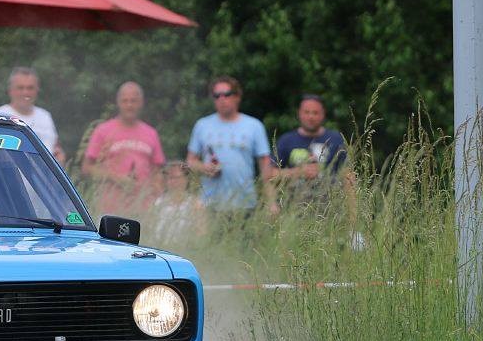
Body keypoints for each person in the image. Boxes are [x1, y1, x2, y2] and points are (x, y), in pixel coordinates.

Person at [269, 94, 360, 236]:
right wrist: (299, 172)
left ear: (323, 114)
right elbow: (271, 174)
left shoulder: (336, 139)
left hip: (332, 214)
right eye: (307, 112)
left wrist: (352, 216)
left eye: (315, 112)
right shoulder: (286, 141)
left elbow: (348, 177)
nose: (311, 117)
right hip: (293, 214)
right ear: (299, 114)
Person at [186, 76, 274, 218]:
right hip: (210, 204)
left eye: (227, 94)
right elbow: (190, 161)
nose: (222, 99)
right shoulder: (202, 125)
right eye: (217, 96)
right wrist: (205, 167)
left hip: (245, 204)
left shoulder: (254, 125)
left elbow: (265, 166)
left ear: (237, 96)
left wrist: (271, 202)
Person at [82, 81, 165, 216]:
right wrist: (116, 178)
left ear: (141, 103)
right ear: (118, 103)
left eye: (134, 101)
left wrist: (156, 198)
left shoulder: (151, 133)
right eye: (125, 101)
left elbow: (158, 172)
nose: (129, 105)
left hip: (143, 210)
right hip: (110, 210)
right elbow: (87, 168)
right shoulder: (103, 130)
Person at [0, 67, 65, 163]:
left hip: (44, 176)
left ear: (37, 90)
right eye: (20, 88)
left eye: (30, 88)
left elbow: (57, 149)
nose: (25, 92)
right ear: (10, 90)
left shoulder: (45, 116)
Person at [150, 161, 204, 240]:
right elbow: (150, 229)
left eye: (177, 178)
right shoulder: (158, 203)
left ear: (186, 180)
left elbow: (201, 234)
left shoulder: (196, 204)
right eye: (170, 178)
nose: (173, 181)